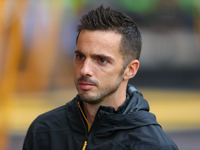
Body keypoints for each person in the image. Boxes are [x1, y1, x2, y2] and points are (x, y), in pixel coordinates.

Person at [23, 5, 178, 150]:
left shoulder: (154, 145)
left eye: (102, 60)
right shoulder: (43, 131)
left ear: (130, 69)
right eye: (80, 56)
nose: (85, 70)